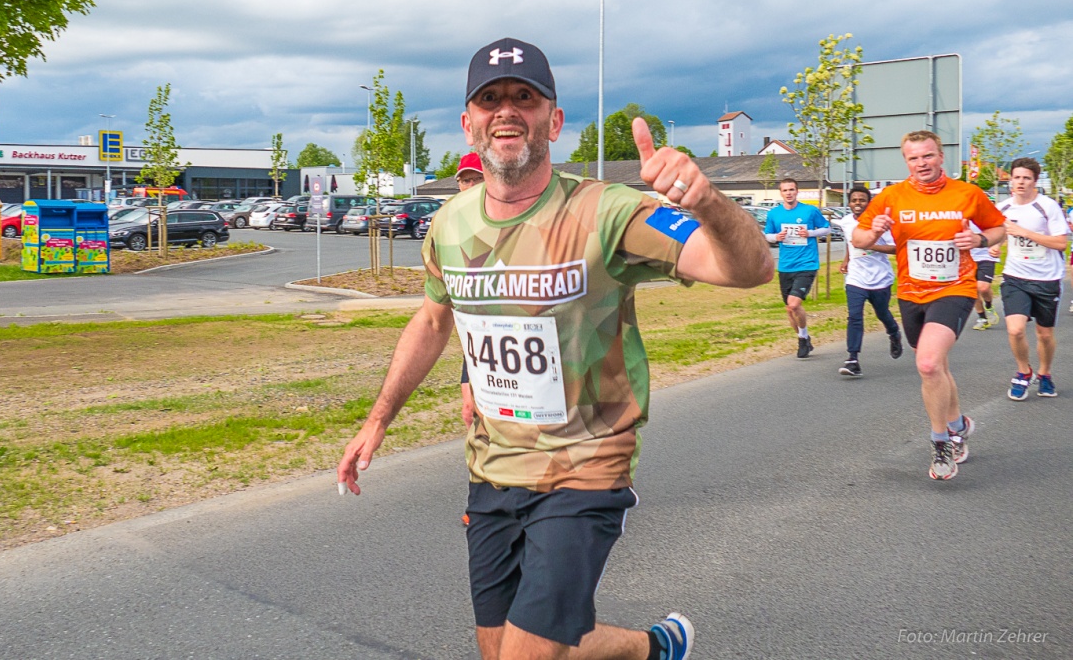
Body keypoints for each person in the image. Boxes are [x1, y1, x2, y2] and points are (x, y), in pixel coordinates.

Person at [337, 37, 773, 659]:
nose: (507, 111)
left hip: (584, 465)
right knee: (508, 650)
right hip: (491, 468)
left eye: (526, 98)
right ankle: (653, 649)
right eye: (490, 99)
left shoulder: (609, 212)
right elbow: (434, 322)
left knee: (525, 656)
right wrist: (377, 421)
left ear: (555, 120)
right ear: (469, 122)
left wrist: (705, 201)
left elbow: (749, 269)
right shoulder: (449, 225)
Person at [853, 130, 1005, 480]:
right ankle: (959, 425)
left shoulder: (967, 193)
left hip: (955, 287)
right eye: (914, 158)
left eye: (928, 156)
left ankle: (940, 443)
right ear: (906, 161)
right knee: (937, 368)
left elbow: (998, 229)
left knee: (927, 363)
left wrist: (980, 238)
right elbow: (858, 238)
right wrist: (874, 230)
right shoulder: (891, 196)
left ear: (941, 156)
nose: (922, 163)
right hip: (910, 292)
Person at [988, 158, 1070, 399]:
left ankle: (1045, 374)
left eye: (1026, 178)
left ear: (1034, 181)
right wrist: (998, 244)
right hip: (1015, 276)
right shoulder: (1003, 208)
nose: (1021, 182)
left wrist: (1025, 233)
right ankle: (1024, 372)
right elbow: (1000, 231)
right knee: (1015, 330)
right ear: (1010, 179)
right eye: (1017, 177)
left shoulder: (1048, 207)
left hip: (1047, 278)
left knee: (1044, 334)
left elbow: (1060, 243)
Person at [836, 185, 903, 377]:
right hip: (856, 277)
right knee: (855, 316)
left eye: (862, 200)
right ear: (849, 203)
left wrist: (872, 245)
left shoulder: (880, 223)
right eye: (854, 200)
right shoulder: (847, 222)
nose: (858, 204)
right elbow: (852, 242)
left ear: (869, 203)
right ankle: (852, 359)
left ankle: (894, 333)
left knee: (882, 313)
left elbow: (896, 248)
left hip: (880, 277)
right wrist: (847, 260)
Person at [763, 178, 832, 358]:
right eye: (785, 190)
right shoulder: (774, 214)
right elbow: (766, 235)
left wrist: (810, 233)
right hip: (786, 266)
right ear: (781, 193)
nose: (789, 193)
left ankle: (802, 339)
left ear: (797, 191)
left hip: (807, 264)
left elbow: (826, 228)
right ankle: (804, 337)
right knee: (789, 309)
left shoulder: (809, 211)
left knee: (794, 304)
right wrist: (776, 237)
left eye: (792, 189)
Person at [455, 151, 484, 527]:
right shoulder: (454, 230)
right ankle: (482, 502)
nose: (469, 185)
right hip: (477, 342)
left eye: (476, 178)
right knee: (474, 417)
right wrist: (465, 381)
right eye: (464, 179)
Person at [970, 222, 1000, 330]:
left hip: (986, 256)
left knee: (983, 287)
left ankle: (989, 306)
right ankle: (982, 318)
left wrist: (997, 245)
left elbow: (1001, 231)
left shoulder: (985, 215)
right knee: (973, 289)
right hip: (967, 258)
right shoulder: (958, 214)